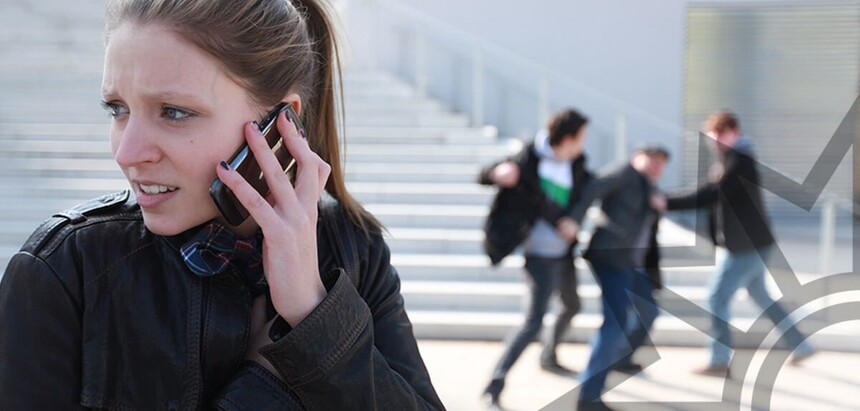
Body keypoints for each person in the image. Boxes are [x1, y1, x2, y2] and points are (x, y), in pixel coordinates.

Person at [0, 0, 444, 409]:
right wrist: (265, 384)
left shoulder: (354, 252)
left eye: (173, 111)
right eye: (117, 108)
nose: (128, 152)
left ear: (281, 121)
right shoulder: (65, 268)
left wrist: (314, 314)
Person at [659, 110, 815, 376]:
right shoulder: (731, 160)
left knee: (716, 297)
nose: (715, 140)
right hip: (754, 243)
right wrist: (671, 200)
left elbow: (713, 194)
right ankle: (799, 344)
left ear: (735, 132)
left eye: (720, 134)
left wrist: (667, 203)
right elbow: (709, 191)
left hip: (746, 246)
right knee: (761, 296)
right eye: (712, 135)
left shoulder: (740, 161)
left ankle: (719, 360)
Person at [478, 108, 591, 409]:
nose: (583, 144)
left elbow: (586, 194)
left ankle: (548, 355)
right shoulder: (529, 158)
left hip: (564, 254)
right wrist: (494, 173)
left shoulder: (577, 163)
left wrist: (574, 220)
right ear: (566, 138)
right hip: (539, 255)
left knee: (572, 305)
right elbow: (485, 175)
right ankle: (494, 385)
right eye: (580, 138)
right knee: (533, 323)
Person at [565, 145, 670, 411]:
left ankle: (621, 358)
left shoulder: (648, 188)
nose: (655, 166)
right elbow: (592, 188)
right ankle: (588, 395)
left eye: (661, 163)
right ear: (637, 157)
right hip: (610, 258)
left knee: (649, 310)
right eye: (651, 160)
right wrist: (574, 220)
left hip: (632, 265)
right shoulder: (624, 172)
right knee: (615, 324)